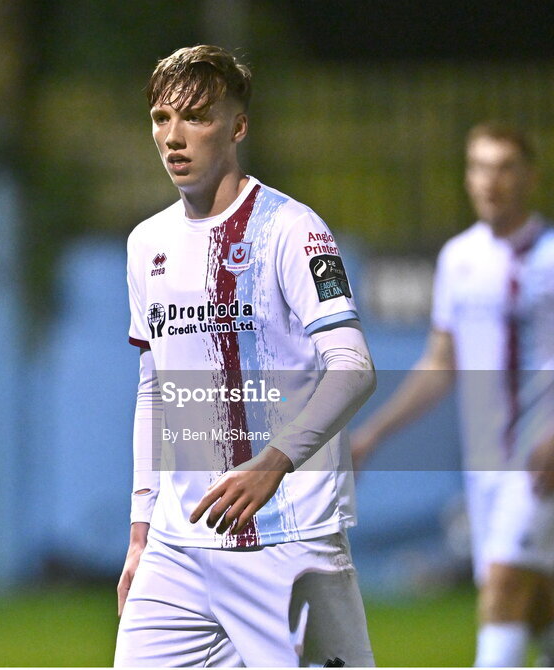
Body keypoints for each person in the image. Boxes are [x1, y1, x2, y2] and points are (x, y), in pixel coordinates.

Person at [115, 45, 377, 667]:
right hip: (179, 551)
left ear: (237, 127)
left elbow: (353, 366)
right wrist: (141, 530)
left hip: (288, 541)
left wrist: (272, 464)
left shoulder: (293, 229)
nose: (173, 138)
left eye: (197, 118)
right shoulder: (146, 242)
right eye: (160, 118)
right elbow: (156, 388)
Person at [351, 123, 554, 667]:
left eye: (504, 167)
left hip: (546, 458)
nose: (489, 180)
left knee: (500, 590)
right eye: (478, 166)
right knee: (535, 598)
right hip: (484, 459)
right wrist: (371, 433)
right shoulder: (458, 258)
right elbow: (440, 363)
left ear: (530, 176)